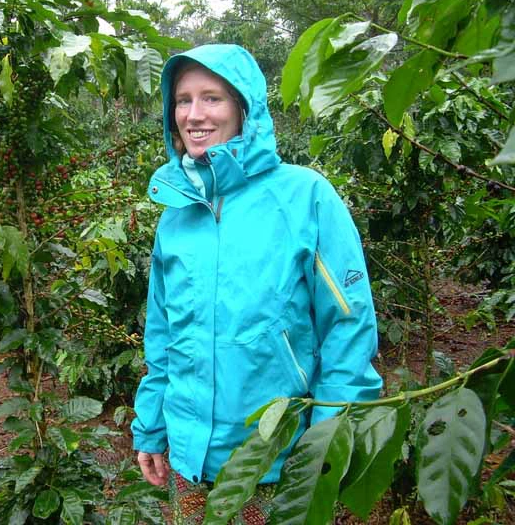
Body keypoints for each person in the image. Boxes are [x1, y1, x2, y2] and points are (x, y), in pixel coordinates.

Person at [131, 44, 383, 524]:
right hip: (189, 457)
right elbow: (163, 334)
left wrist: (328, 439)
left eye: (212, 98)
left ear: (244, 108)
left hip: (277, 458)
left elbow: (347, 325)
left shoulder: (304, 196)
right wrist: (152, 426)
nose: (194, 115)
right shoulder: (176, 216)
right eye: (183, 100)